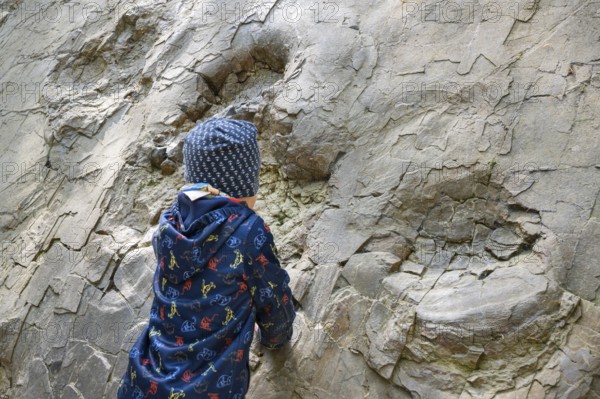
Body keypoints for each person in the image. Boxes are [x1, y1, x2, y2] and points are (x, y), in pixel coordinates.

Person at [117, 117, 296, 399]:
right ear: (244, 183)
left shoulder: (171, 222)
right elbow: (274, 302)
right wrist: (276, 339)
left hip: (142, 382)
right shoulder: (248, 233)